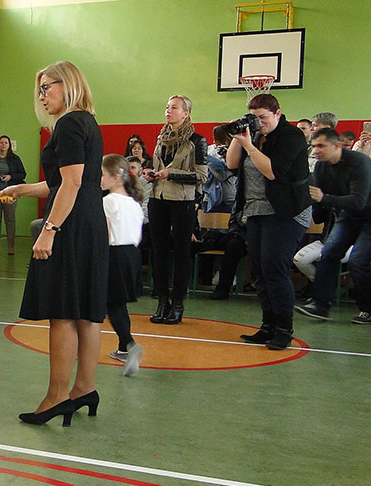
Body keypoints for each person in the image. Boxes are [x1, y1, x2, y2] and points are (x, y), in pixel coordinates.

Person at [0, 60, 106, 427]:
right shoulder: (87, 121)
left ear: (69, 84)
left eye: (47, 87)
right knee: (86, 312)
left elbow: (71, 185)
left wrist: (49, 229)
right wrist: (22, 189)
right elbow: (64, 182)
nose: (42, 96)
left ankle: (57, 396)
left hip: (72, 224)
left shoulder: (70, 123)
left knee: (62, 313)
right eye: (39, 89)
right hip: (89, 219)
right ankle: (84, 389)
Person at [227, 93, 312, 350]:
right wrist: (238, 137)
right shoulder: (253, 135)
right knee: (260, 272)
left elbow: (273, 172)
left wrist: (250, 146)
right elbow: (232, 164)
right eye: (254, 117)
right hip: (256, 210)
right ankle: (268, 326)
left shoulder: (291, 136)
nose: (259, 122)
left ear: (277, 114)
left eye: (263, 117)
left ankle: (284, 329)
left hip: (286, 211)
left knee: (275, 269)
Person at [294, 128, 371, 324]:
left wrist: (324, 198)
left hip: (368, 215)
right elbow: (320, 198)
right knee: (328, 254)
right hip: (348, 215)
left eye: (321, 146)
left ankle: (368, 309)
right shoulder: (322, 167)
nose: (315, 150)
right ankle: (320, 305)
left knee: (358, 262)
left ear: (337, 145)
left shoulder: (359, 162)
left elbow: (358, 201)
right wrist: (318, 206)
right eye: (314, 146)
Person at [143, 95, 208, 324]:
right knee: (158, 251)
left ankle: (178, 303)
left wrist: (171, 174)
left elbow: (201, 176)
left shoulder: (197, 141)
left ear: (186, 113)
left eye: (174, 107)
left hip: (182, 201)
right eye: (167, 107)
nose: (168, 111)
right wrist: (150, 173)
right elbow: (159, 167)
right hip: (158, 197)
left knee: (181, 252)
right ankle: (162, 300)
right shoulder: (161, 138)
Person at [99, 155, 145, 375]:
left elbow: (105, 234)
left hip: (114, 254)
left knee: (112, 305)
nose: (99, 179)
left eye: (102, 175)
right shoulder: (134, 203)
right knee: (119, 303)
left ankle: (129, 344)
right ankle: (123, 348)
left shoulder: (108, 201)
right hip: (132, 255)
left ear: (116, 176)